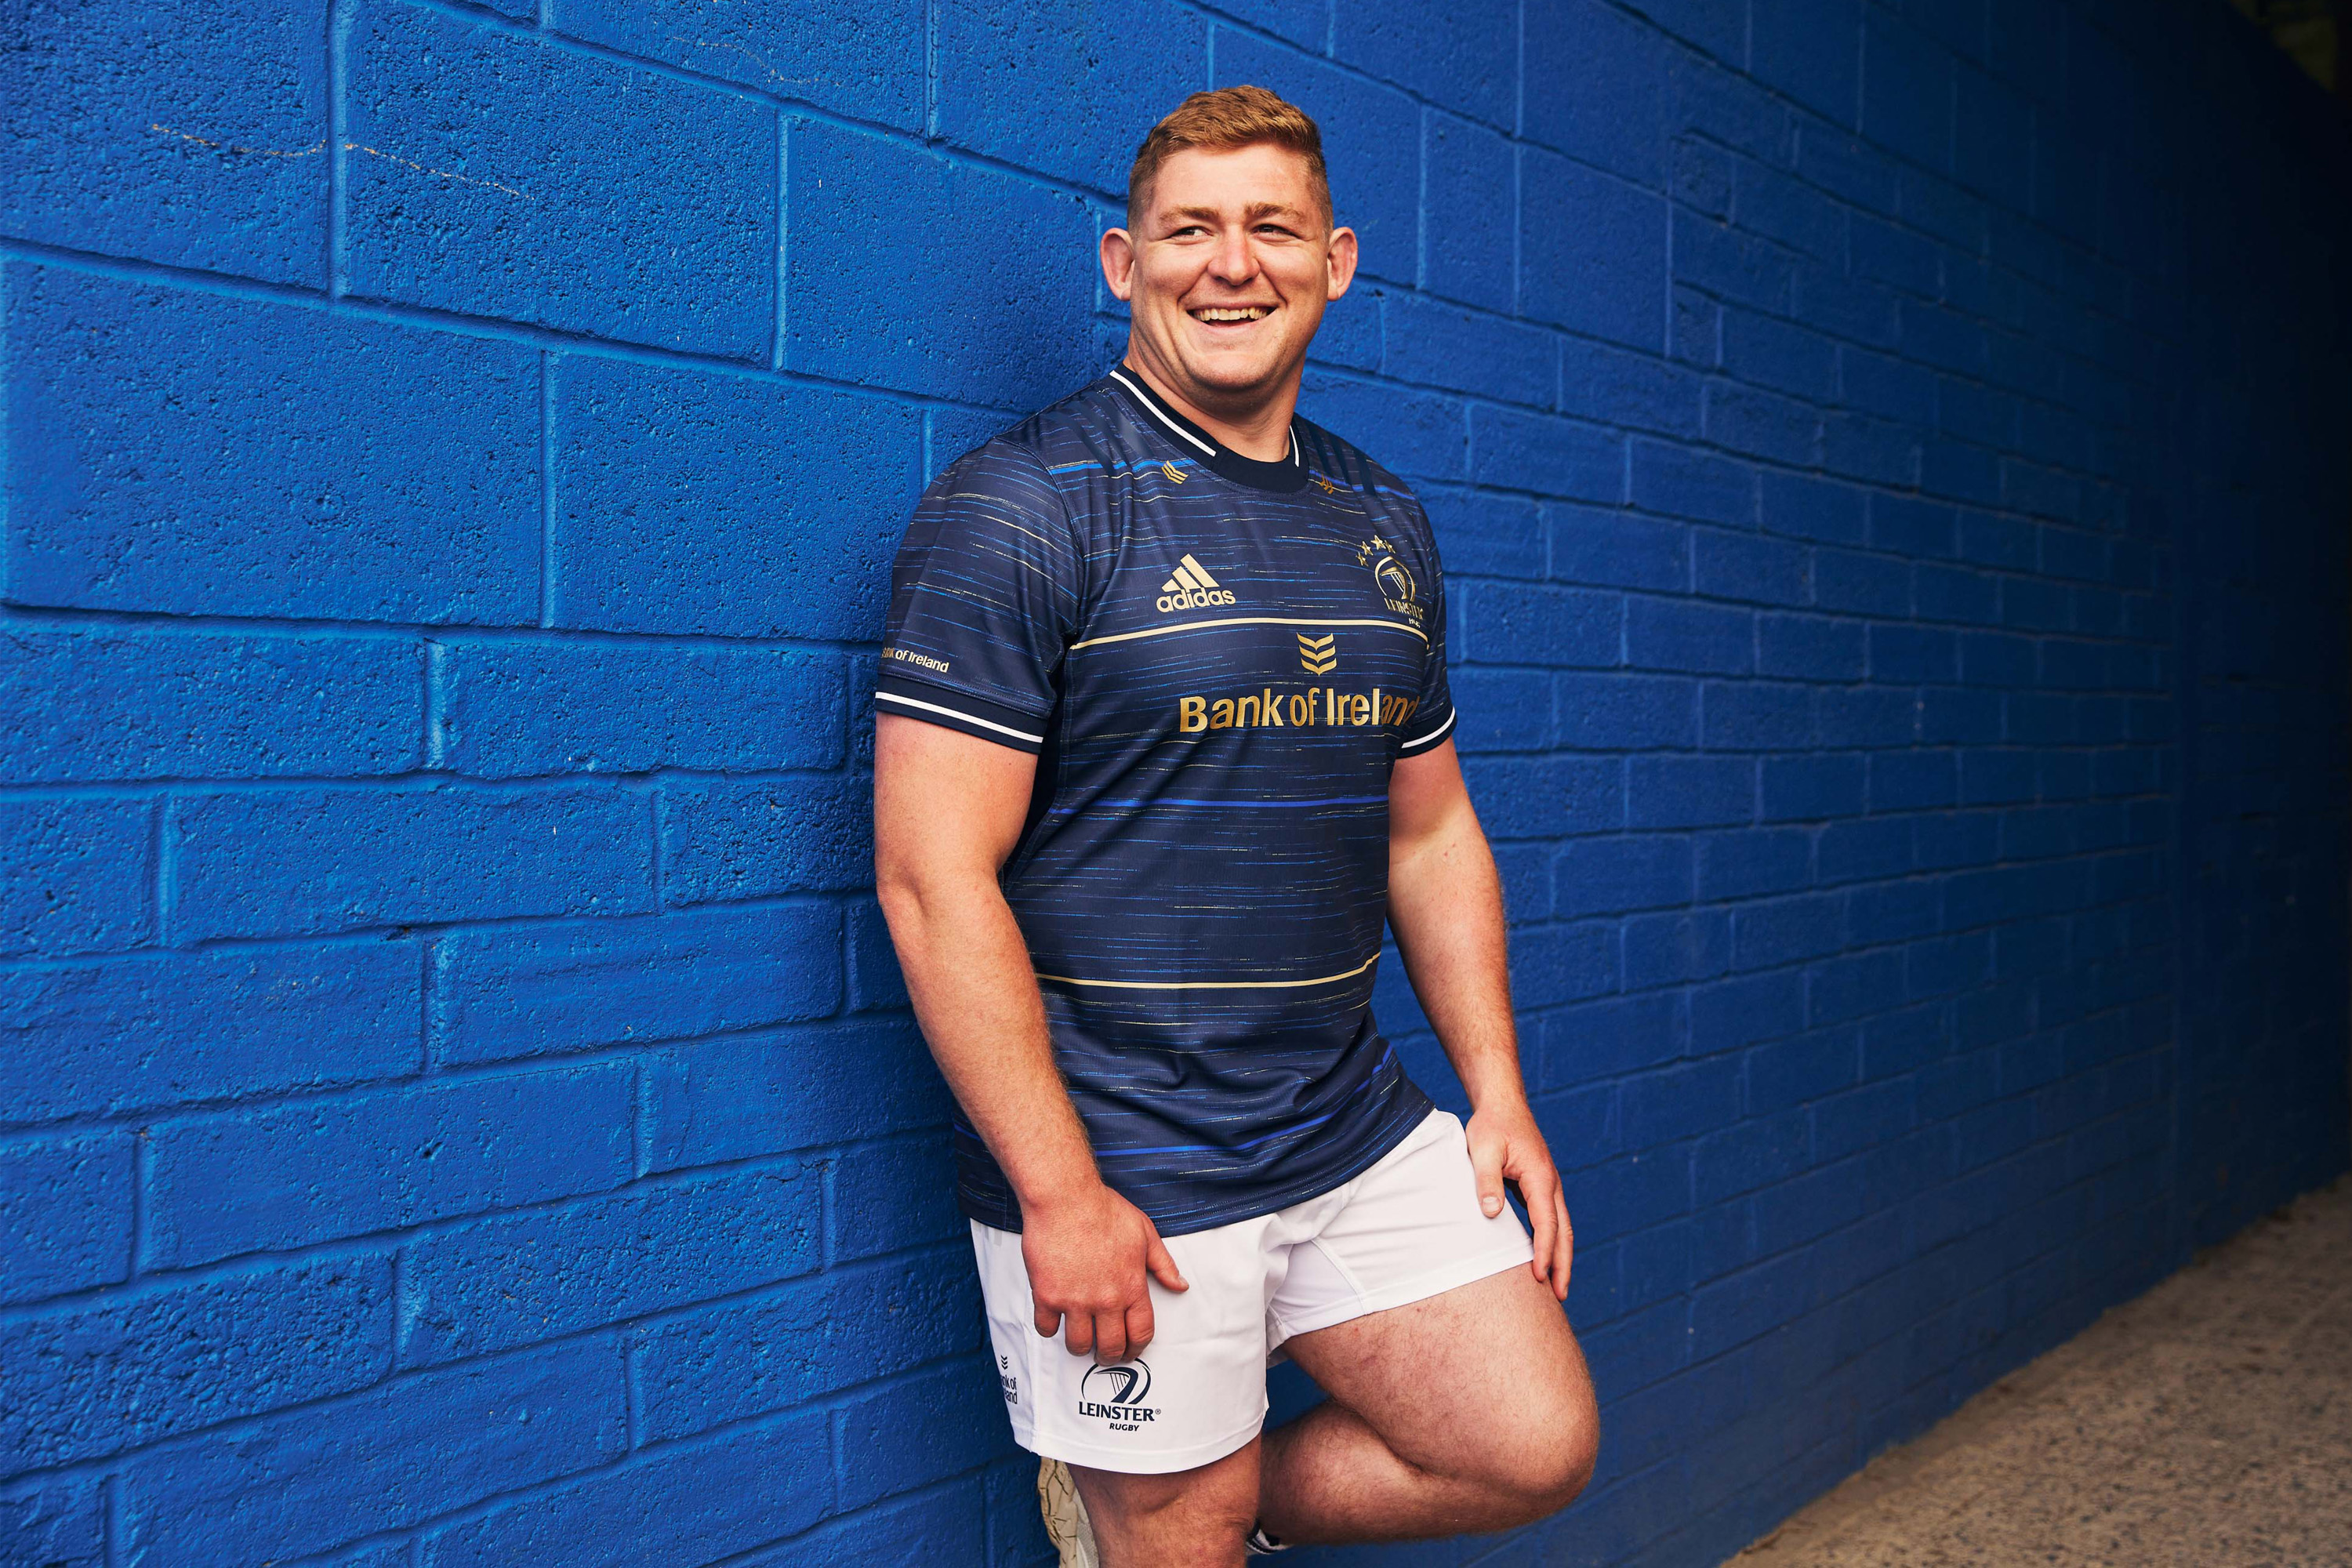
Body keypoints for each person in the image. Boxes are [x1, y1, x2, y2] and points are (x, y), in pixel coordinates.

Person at [872, 85, 1599, 1567]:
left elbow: (1430, 833)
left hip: (1344, 1123)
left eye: (1271, 228)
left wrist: (1498, 1089)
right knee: (1181, 1550)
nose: (1230, 263)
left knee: (1530, 1441)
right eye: (1188, 228)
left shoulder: (1382, 520)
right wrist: (1058, 1190)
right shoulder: (1018, 509)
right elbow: (933, 880)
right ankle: (1154, 1503)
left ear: (1336, 261)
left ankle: (1166, 1490)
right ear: (1119, 263)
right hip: (1127, 1154)